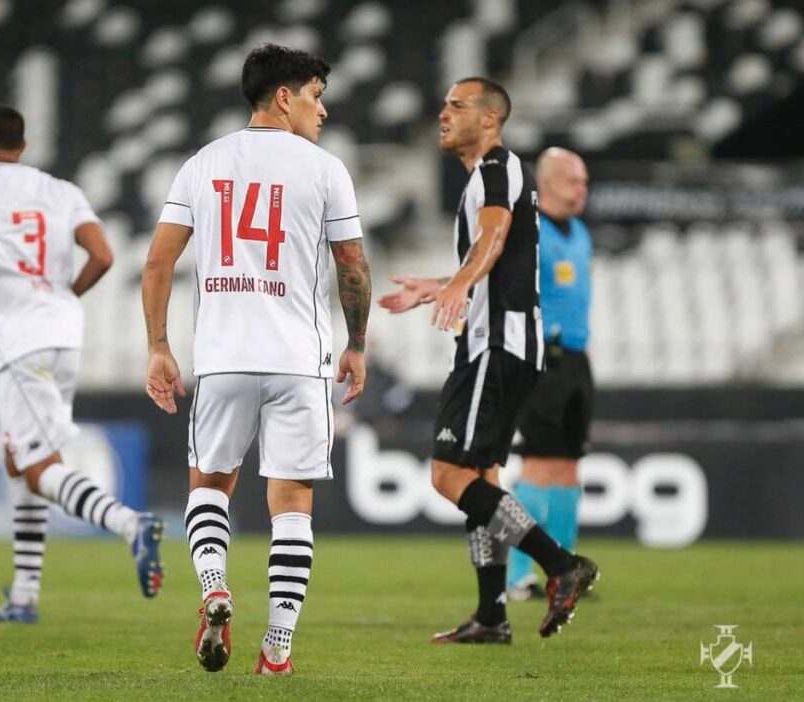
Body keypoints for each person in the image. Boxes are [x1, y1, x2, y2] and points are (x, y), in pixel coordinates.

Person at [141, 44, 370, 675]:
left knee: (209, 484)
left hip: (224, 356)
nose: (323, 109)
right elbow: (351, 265)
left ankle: (214, 587)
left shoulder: (202, 165)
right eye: (316, 95)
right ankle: (277, 650)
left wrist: (159, 346)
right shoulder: (326, 170)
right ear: (284, 97)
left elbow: (159, 262)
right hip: (300, 358)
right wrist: (357, 343)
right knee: (292, 499)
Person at [378, 78, 597, 644]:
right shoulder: (489, 174)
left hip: (495, 347)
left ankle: (560, 564)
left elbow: (495, 235)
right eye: (444, 103)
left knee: (449, 476)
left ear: (491, 118)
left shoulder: (497, 168)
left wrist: (458, 286)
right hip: (510, 344)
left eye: (457, 105)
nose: (444, 113)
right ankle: (492, 615)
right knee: (484, 479)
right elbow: (500, 256)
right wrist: (440, 285)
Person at [0, 105, 164, 623]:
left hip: (18, 341)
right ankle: (24, 594)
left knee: (39, 467)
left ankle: (130, 524)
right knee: (22, 458)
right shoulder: (62, 190)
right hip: (64, 336)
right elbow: (102, 255)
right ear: (24, 145)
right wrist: (63, 296)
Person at [508, 147, 594, 601]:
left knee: (569, 467)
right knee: (538, 466)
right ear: (549, 182)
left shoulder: (579, 232)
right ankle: (518, 575)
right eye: (574, 181)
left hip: (578, 359)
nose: (582, 190)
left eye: (584, 182)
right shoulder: (531, 231)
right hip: (542, 358)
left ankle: (566, 571)